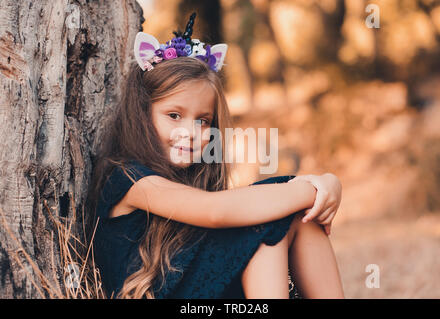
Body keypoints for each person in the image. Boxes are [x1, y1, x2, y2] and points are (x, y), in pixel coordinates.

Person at [86, 13, 344, 299]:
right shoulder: (129, 179)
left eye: (203, 121)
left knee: (290, 217)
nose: (191, 131)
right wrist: (314, 189)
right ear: (142, 114)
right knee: (268, 218)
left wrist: (327, 183)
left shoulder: (190, 177)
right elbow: (215, 211)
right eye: (174, 115)